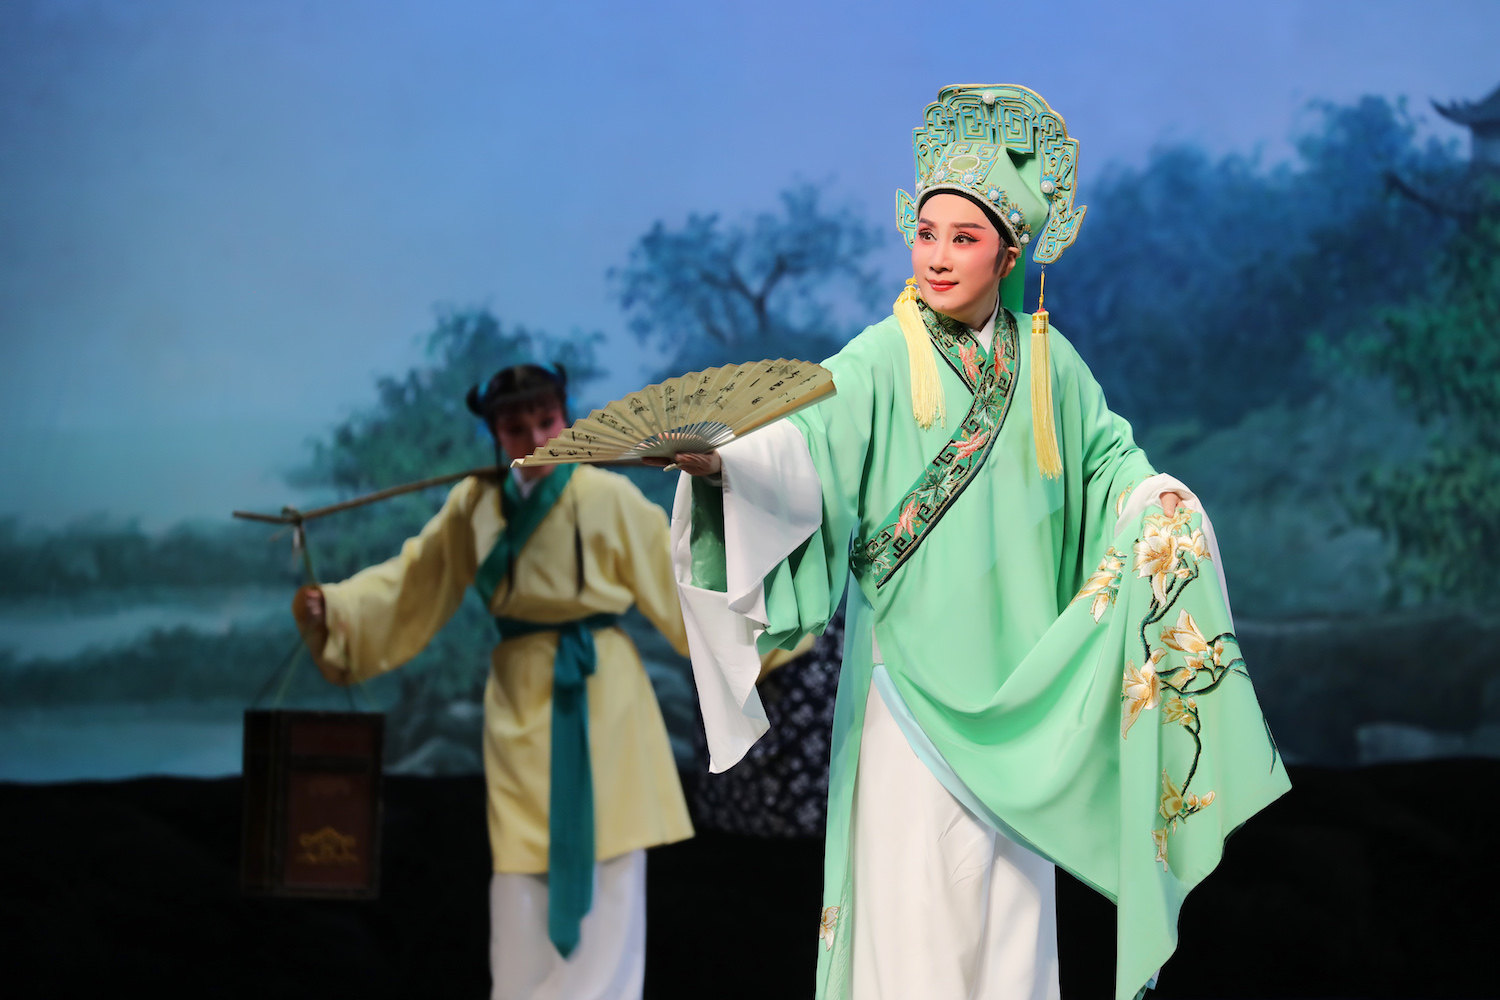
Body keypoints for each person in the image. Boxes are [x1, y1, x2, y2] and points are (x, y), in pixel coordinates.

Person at [660, 85, 1290, 1000]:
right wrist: (724, 462)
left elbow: (1113, 467)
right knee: (912, 926)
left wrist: (1159, 502)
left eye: (964, 237)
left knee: (1011, 935)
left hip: (1022, 695)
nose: (939, 256)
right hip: (907, 689)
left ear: (1009, 251)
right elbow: (802, 442)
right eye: (926, 234)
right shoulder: (880, 356)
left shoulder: (1051, 365)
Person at [293, 363, 693, 1000]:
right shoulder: (475, 505)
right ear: (494, 433)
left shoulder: (608, 496)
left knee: (611, 860)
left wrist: (760, 624)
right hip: (520, 692)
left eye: (547, 420)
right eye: (515, 428)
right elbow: (413, 582)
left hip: (603, 692)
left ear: (566, 415)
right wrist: (336, 609)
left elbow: (680, 579)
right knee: (519, 872)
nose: (535, 437)